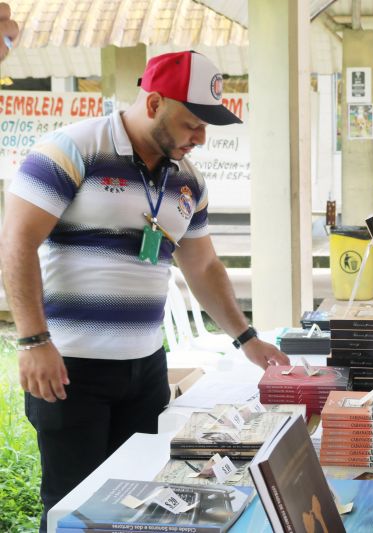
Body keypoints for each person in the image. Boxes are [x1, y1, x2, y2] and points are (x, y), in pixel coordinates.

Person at [0, 50, 290, 531]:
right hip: (70, 370)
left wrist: (247, 338)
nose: (200, 138)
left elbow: (203, 266)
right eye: (192, 124)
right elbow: (16, 241)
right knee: (74, 508)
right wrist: (33, 341)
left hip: (147, 368)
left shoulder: (188, 180)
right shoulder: (72, 149)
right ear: (154, 103)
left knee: (138, 504)